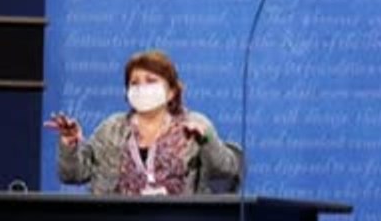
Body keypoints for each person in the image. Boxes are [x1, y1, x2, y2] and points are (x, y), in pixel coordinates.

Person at [45, 49, 241, 195]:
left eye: (151, 81)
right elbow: (72, 175)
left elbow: (226, 171)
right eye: (134, 83)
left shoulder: (195, 125)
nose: (142, 88)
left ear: (171, 91)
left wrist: (207, 140)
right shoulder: (111, 128)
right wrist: (70, 143)